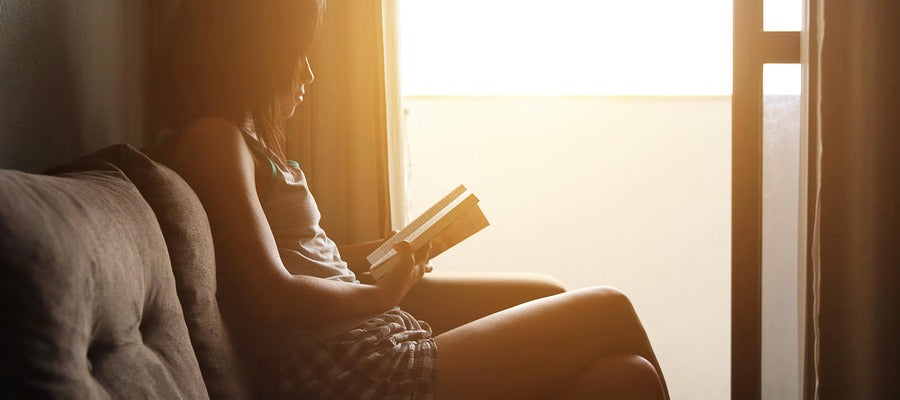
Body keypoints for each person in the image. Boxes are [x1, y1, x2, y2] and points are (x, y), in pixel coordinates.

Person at [154, 1, 669, 399]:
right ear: (256, 54)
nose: (308, 74)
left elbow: (302, 261)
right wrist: (382, 295)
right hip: (346, 369)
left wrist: (389, 251)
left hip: (361, 343)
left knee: (624, 378)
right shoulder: (215, 141)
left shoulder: (243, 140)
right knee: (611, 308)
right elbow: (272, 293)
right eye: (298, 54)